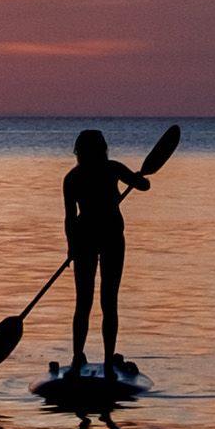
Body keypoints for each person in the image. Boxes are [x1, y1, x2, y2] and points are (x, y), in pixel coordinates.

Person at [63, 128, 147, 371]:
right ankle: (106, 358)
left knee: (85, 302)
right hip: (107, 239)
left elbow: (70, 219)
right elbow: (144, 185)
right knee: (107, 302)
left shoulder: (73, 177)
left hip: (87, 240)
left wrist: (71, 246)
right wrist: (139, 178)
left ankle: (79, 356)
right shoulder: (112, 169)